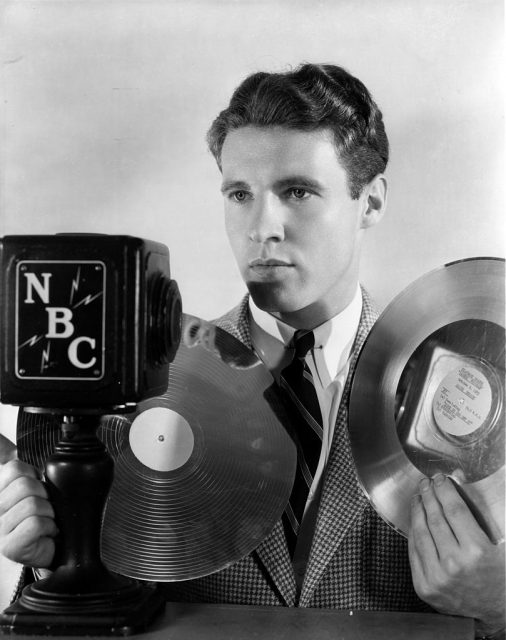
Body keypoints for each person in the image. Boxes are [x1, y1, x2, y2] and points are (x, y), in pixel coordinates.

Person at [0, 63, 504, 638]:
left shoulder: (471, 390)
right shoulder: (137, 387)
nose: (263, 227)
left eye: (297, 191)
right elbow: (83, 612)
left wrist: (499, 608)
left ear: (371, 201)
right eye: (240, 193)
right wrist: (48, 564)